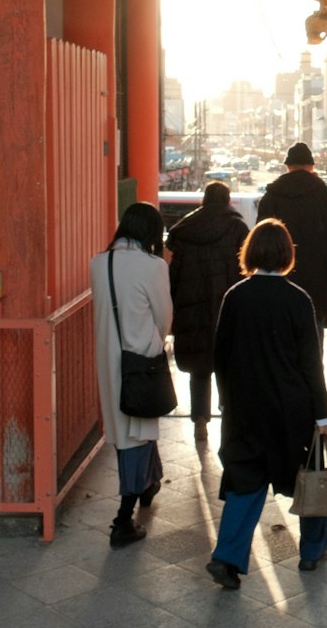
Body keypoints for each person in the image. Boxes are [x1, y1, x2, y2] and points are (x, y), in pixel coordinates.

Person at [206, 218, 327, 590]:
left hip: (245, 407)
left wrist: (226, 400)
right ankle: (312, 550)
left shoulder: (235, 296)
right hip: (291, 407)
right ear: (285, 255)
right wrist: (321, 413)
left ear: (251, 253)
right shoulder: (298, 299)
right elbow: (312, 362)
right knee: (308, 476)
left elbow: (221, 356)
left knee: (245, 481)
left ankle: (227, 558)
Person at [90, 202, 173, 548]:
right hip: (142, 358)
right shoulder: (153, 266)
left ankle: (149, 483)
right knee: (137, 432)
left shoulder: (99, 263)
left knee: (128, 427)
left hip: (109, 359)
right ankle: (122, 520)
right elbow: (164, 318)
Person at [166, 180, 248, 443]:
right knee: (228, 366)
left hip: (192, 307)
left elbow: (174, 275)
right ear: (226, 200)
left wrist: (174, 307)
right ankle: (229, 415)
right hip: (229, 309)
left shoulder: (186, 230)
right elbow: (246, 270)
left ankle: (200, 420)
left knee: (199, 368)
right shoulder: (236, 227)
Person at [256, 142, 327, 345]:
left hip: (279, 280)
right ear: (311, 167)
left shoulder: (271, 197)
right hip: (318, 282)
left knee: (282, 340)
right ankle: (312, 375)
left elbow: (260, 240)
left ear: (288, 166)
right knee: (313, 340)